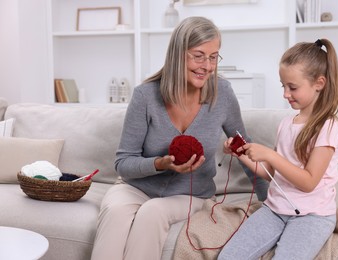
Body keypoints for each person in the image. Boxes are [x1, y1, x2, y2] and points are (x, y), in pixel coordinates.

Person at [91, 16, 268, 260]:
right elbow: (124, 163)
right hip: (136, 188)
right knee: (114, 211)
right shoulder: (145, 96)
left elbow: (244, 150)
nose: (207, 65)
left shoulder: (222, 93)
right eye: (198, 55)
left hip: (190, 195)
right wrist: (160, 163)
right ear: (178, 54)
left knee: (152, 213)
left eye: (214, 56)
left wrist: (271, 203)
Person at [218, 38, 338, 260]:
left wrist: (271, 155)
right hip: (275, 209)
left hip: (312, 216)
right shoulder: (286, 124)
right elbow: (271, 173)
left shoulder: (328, 126)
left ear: (319, 83)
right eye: (283, 86)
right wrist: (241, 154)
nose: (286, 94)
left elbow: (308, 182)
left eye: (292, 87)